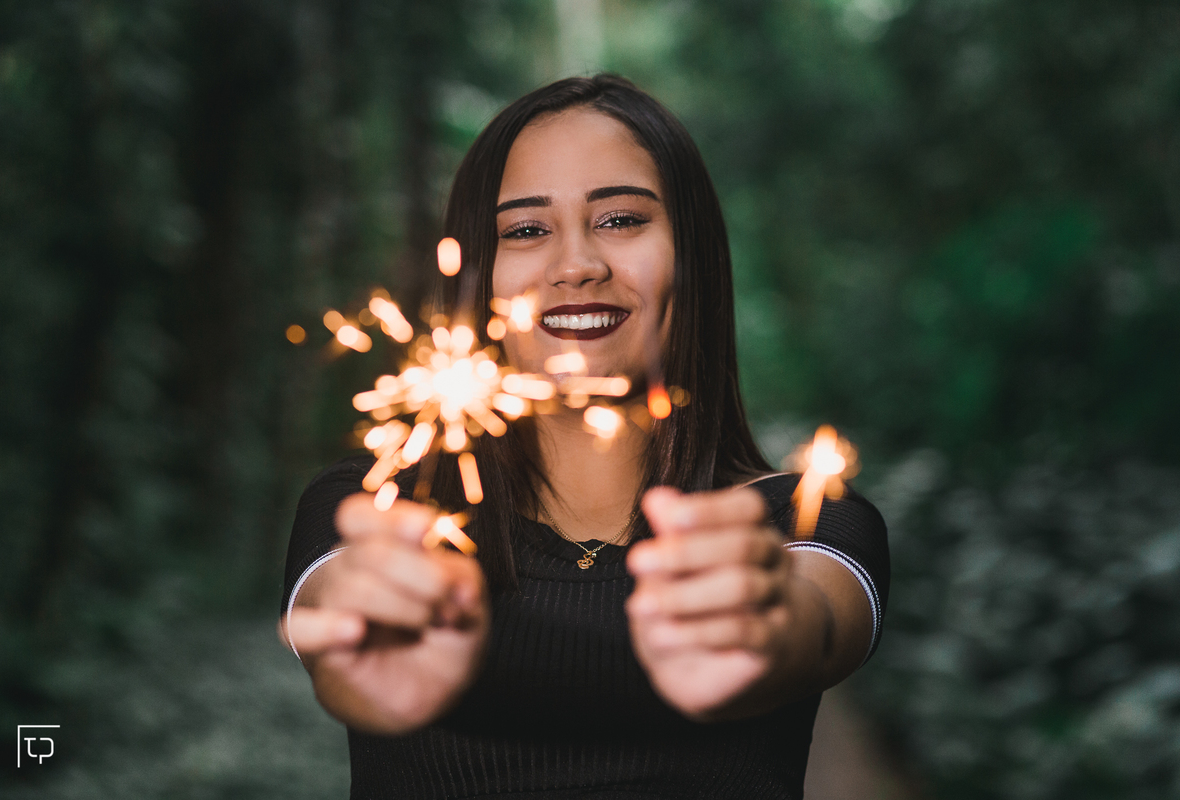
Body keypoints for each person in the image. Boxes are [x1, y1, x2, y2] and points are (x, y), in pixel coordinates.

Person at [280, 74, 888, 799]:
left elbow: (815, 616)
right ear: (479, 275)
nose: (577, 266)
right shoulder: (381, 507)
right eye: (527, 231)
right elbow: (333, 597)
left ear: (691, 257)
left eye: (622, 220)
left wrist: (768, 628)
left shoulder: (807, 520)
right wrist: (359, 631)